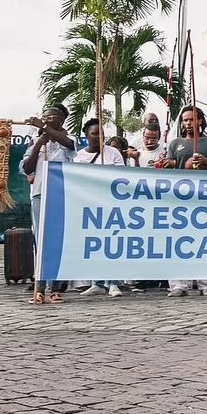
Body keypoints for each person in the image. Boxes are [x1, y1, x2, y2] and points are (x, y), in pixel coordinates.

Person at [160, 106, 207, 297]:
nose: (188, 123)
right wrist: (171, 164)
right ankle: (179, 284)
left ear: (200, 121)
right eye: (185, 120)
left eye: (191, 119)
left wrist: (205, 161)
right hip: (180, 199)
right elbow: (170, 168)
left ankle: (206, 284)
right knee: (178, 241)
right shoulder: (175, 143)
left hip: (204, 198)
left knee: (204, 241)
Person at [21, 103, 77, 304]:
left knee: (57, 240)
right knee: (40, 241)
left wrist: (45, 129)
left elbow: (70, 146)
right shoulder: (36, 141)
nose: (45, 120)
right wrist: (39, 143)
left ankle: (56, 287)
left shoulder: (68, 140)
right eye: (44, 117)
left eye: (50, 118)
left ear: (61, 120)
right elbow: (27, 168)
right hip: (39, 194)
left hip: (60, 195)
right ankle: (40, 287)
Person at [73, 119, 126, 297]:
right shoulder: (79, 156)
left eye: (102, 132)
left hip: (111, 204)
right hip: (88, 205)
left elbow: (122, 176)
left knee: (112, 243)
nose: (99, 136)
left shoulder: (113, 153)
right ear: (86, 135)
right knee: (94, 243)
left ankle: (113, 283)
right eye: (95, 133)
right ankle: (96, 282)